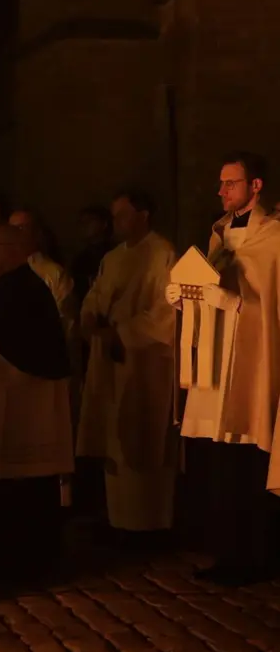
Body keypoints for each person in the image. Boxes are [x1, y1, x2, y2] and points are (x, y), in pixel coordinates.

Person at [171, 151, 280, 585]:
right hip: (217, 363)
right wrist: (186, 294)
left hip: (253, 360)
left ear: (255, 186)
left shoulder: (273, 238)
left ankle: (255, 555)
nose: (221, 191)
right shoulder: (218, 235)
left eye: (230, 183)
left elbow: (270, 302)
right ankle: (226, 551)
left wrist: (234, 301)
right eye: (220, 184)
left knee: (249, 458)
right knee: (220, 460)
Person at [0, 224, 74, 582]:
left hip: (21, 402)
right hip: (1, 394)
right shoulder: (7, 287)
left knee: (18, 484)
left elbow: (27, 347)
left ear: (11, 250)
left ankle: (16, 558)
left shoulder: (22, 290)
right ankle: (4, 552)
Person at [77, 190, 176, 542]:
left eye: (123, 215)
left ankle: (149, 525)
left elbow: (167, 313)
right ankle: (118, 519)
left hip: (144, 361)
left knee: (143, 438)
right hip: (110, 356)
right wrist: (89, 319)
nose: (116, 223)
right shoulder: (114, 257)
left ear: (144, 215)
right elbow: (96, 295)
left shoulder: (162, 253)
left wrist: (122, 333)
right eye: (114, 216)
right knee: (114, 438)